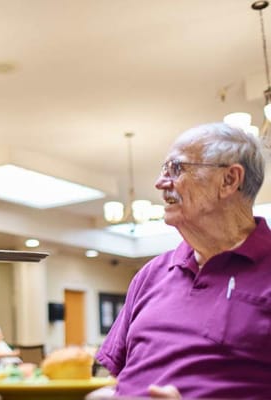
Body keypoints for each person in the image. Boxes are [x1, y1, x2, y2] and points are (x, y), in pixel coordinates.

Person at [95, 122, 271, 399]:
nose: (160, 183)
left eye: (176, 169)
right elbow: (118, 376)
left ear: (229, 180)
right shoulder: (151, 274)